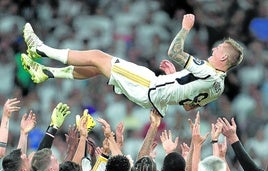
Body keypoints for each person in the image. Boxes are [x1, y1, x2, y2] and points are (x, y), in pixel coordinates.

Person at [21, 13, 244, 117]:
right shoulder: (218, 87)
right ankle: (46, 72)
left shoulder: (206, 69)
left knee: (98, 56)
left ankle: (41, 49)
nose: (214, 50)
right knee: (100, 67)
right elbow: (187, 105)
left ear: (224, 58)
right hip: (155, 91)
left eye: (219, 49)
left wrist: (186, 28)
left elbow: (174, 51)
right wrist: (173, 77)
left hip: (149, 88)